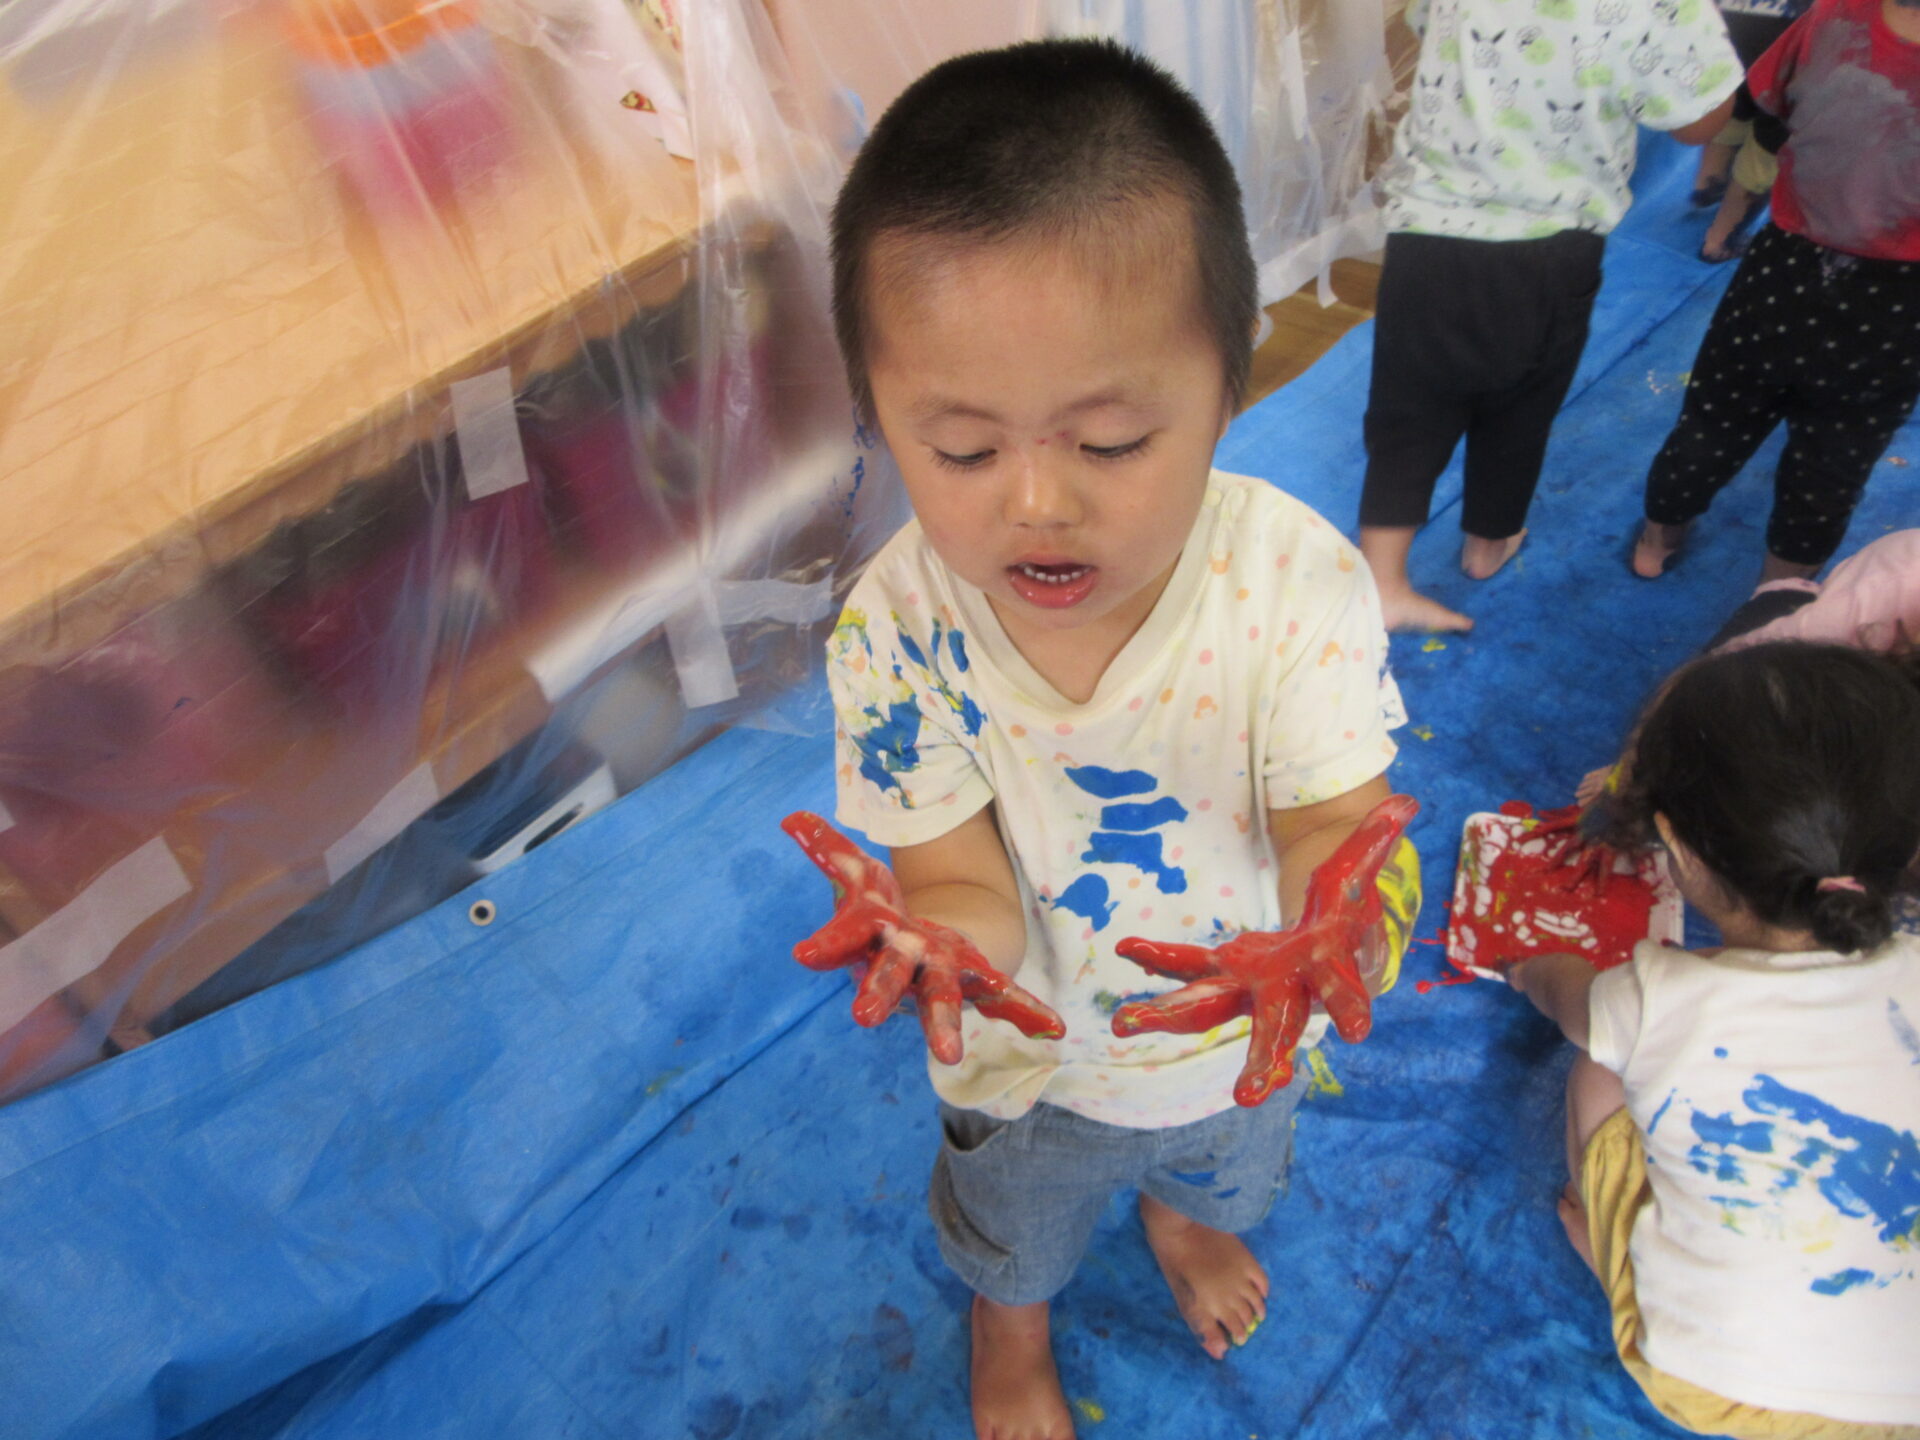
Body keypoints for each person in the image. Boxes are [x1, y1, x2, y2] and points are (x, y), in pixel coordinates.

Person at [795, 39, 1420, 1440]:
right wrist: (944, 944)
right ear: (879, 414)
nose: (1036, 504)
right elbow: (957, 873)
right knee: (1012, 1228)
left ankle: (1179, 1218)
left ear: (1230, 387)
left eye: (1113, 439)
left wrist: (1336, 922)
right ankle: (1007, 1325)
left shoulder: (1293, 586)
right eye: (963, 451)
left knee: (1224, 1174)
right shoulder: (898, 629)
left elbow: (1337, 826)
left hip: (1237, 1036)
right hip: (1031, 1066)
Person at [1508, 642, 1920, 1438]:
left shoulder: (1658, 1000)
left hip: (1714, 1381)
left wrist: (1532, 968)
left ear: (1680, 851)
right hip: (1905, 1405)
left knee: (1596, 1072)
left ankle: (1615, 1261)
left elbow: (1571, 1000)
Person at [1361, 0, 1741, 632]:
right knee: (1520, 407)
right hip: (1549, 244)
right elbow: (1699, 121)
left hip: (1425, 228)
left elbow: (1425, 24)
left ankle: (1382, 582)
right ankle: (1488, 542)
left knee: (1407, 411)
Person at [1634, 0, 1920, 585]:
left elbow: (1768, 104)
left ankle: (1657, 539)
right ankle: (1779, 591)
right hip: (1899, 305)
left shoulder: (1834, 16)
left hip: (1786, 267)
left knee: (1716, 415)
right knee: (1835, 458)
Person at [1690, 0, 1812, 263]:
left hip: (1734, 25)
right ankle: (1719, 242)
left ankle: (1706, 187)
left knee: (1732, 108)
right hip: (1794, 45)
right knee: (1766, 152)